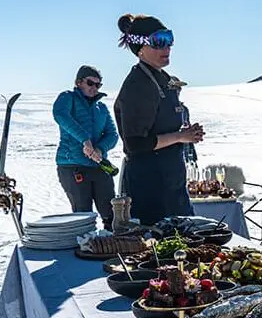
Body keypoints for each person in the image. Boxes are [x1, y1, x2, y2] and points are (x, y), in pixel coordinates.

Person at [114, 14, 204, 225]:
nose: (167, 47)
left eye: (169, 39)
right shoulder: (138, 84)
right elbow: (135, 143)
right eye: (159, 41)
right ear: (140, 48)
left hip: (172, 184)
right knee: (160, 241)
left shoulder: (163, 80)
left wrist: (187, 134)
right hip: (151, 190)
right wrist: (180, 136)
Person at [52, 65, 119, 228]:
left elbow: (112, 134)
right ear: (78, 82)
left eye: (98, 84)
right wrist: (85, 140)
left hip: (99, 165)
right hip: (72, 166)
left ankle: (113, 240)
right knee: (83, 216)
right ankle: (86, 243)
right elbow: (60, 115)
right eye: (90, 83)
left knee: (112, 213)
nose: (94, 87)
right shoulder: (67, 98)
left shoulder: (101, 108)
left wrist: (100, 149)